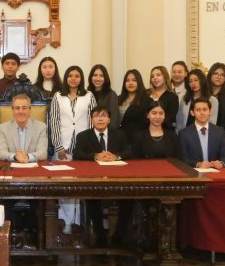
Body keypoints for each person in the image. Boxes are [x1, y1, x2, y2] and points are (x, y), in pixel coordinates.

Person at [74, 106, 133, 246]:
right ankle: (100, 233)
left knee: (129, 199)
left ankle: (119, 234)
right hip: (93, 179)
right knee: (92, 199)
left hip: (117, 179)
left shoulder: (119, 134)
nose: (100, 119)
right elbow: (77, 154)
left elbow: (129, 151)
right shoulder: (83, 136)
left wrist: (116, 156)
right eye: (96, 116)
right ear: (92, 119)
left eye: (104, 115)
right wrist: (95, 156)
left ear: (109, 119)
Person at [50, 66, 96, 160]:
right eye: (70, 76)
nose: (73, 79)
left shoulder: (89, 96)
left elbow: (93, 121)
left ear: (81, 79)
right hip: (63, 146)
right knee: (63, 174)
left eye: (77, 76)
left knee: (82, 172)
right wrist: (59, 147)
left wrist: (90, 144)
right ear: (66, 78)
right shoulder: (58, 96)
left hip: (84, 146)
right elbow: (54, 122)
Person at [177, 98, 225, 168]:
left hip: (216, 172)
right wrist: (198, 164)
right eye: (198, 110)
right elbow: (182, 159)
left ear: (210, 111)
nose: (202, 113)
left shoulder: (219, 131)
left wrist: (221, 163)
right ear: (192, 113)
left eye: (205, 109)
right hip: (194, 173)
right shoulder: (184, 134)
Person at [0, 93, 48, 163]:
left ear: (30, 110)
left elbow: (43, 153)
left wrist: (28, 157)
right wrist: (15, 157)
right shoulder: (3, 128)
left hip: (33, 168)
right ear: (13, 110)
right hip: (12, 168)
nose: (21, 112)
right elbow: (0, 153)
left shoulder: (41, 127)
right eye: (17, 108)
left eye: (24, 108)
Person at [117, 69, 151, 136]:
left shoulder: (147, 100)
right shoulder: (118, 99)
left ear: (139, 82)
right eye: (127, 80)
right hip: (120, 137)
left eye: (134, 80)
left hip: (139, 138)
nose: (130, 83)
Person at [147, 65, 180, 131]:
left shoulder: (173, 97)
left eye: (158, 75)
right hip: (146, 132)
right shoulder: (145, 94)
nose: (155, 78)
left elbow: (169, 119)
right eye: (152, 76)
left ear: (165, 77)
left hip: (165, 133)